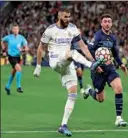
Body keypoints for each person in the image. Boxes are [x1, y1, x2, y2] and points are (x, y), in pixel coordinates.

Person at [33, 8, 103, 137]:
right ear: (59, 16)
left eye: (69, 17)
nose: (68, 19)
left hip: (67, 62)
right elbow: (41, 47)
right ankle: (90, 66)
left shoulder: (73, 28)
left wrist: (93, 59)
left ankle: (63, 125)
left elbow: (83, 46)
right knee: (72, 53)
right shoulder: (50, 30)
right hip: (55, 60)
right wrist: (38, 66)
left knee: (73, 93)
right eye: (65, 17)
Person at [82, 13, 128, 127]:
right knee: (100, 99)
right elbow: (89, 50)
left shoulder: (113, 38)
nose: (107, 23)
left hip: (110, 67)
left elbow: (115, 53)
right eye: (105, 21)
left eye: (109, 21)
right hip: (98, 70)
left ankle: (119, 118)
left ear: (111, 23)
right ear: (101, 23)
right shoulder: (97, 36)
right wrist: (95, 64)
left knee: (118, 88)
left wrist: (121, 64)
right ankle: (89, 91)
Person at [1, 24, 28, 95]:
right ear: (12, 30)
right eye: (14, 29)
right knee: (19, 69)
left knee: (13, 72)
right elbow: (2, 41)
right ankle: (18, 87)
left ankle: (7, 86)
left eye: (17, 29)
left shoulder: (21, 38)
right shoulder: (9, 37)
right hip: (11, 57)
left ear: (18, 30)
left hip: (18, 57)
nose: (16, 30)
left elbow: (26, 47)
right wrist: (3, 50)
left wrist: (24, 50)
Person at [71, 28, 88, 93]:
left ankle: (72, 77)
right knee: (79, 71)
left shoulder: (84, 39)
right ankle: (81, 88)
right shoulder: (72, 40)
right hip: (76, 57)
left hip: (82, 57)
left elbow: (88, 46)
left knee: (80, 74)